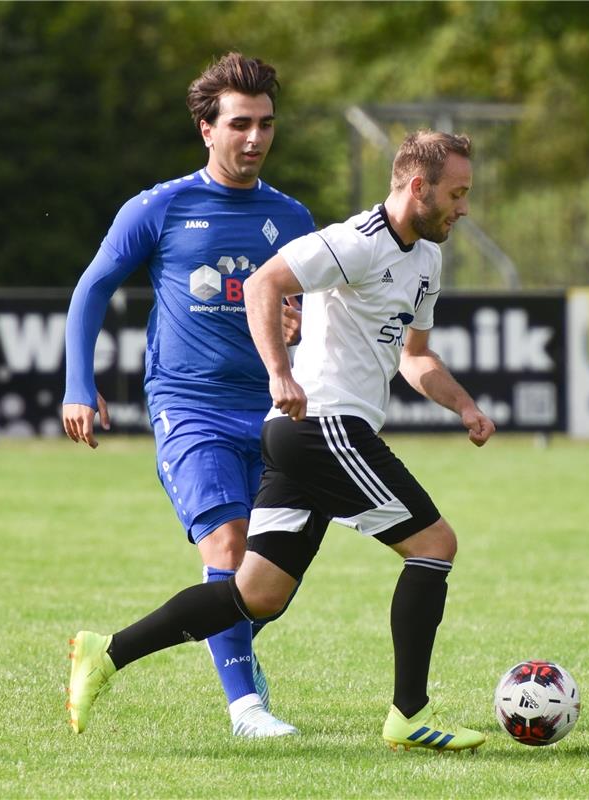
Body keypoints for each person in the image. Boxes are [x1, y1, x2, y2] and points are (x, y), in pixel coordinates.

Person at [66, 130, 496, 752]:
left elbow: (415, 357)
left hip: (312, 435)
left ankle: (106, 652)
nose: (464, 207)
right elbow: (265, 283)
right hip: (324, 427)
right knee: (435, 546)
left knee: (256, 594)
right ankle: (410, 714)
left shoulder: (425, 258)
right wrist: (279, 372)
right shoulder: (356, 241)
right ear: (417, 186)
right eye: (457, 194)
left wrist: (463, 405)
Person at [62, 52, 315, 738]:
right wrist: (78, 387)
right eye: (239, 124)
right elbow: (92, 288)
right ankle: (246, 708)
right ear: (207, 129)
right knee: (228, 547)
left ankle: (226, 659)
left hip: (268, 411)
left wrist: (301, 324)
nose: (255, 138)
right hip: (189, 404)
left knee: (268, 583)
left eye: (265, 124)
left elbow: (312, 311)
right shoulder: (160, 207)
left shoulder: (292, 216)